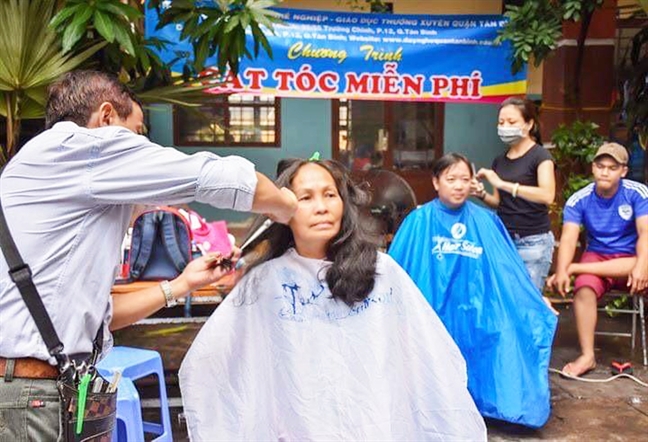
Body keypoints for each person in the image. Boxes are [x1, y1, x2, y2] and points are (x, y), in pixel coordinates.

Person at [0, 70, 297, 440]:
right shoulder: (81, 148)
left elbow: (99, 318)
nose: (142, 146)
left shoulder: (42, 166)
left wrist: (184, 284)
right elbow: (218, 177)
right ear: (106, 118)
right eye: (138, 133)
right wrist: (286, 205)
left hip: (37, 392)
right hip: (31, 397)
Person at [179, 158, 486, 441]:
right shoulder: (265, 282)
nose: (322, 207)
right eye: (306, 197)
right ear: (281, 210)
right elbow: (211, 363)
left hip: (374, 422)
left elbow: (427, 353)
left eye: (330, 194)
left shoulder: (381, 271)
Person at [389, 153, 557, 428]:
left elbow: (509, 271)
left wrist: (534, 299)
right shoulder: (418, 221)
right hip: (432, 310)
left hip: (480, 309)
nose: (458, 186)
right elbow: (396, 272)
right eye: (451, 179)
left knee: (503, 329)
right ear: (436, 182)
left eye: (465, 179)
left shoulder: (487, 221)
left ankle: (486, 405)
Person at [546, 142, 648, 377]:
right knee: (583, 287)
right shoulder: (579, 199)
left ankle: (578, 267)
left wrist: (642, 264)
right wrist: (562, 270)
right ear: (593, 168)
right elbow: (569, 238)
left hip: (633, 255)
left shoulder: (637, 192)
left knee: (643, 261)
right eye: (600, 166)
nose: (604, 172)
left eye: (612, 168)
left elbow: (645, 233)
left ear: (623, 171)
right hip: (598, 254)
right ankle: (587, 356)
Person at [473, 97, 556, 294]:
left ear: (529, 124)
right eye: (501, 123)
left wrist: (503, 184)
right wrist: (481, 193)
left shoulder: (541, 156)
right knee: (504, 297)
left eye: (511, 122)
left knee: (527, 301)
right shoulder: (500, 161)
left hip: (533, 240)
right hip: (504, 238)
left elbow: (547, 195)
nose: (505, 127)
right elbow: (499, 202)